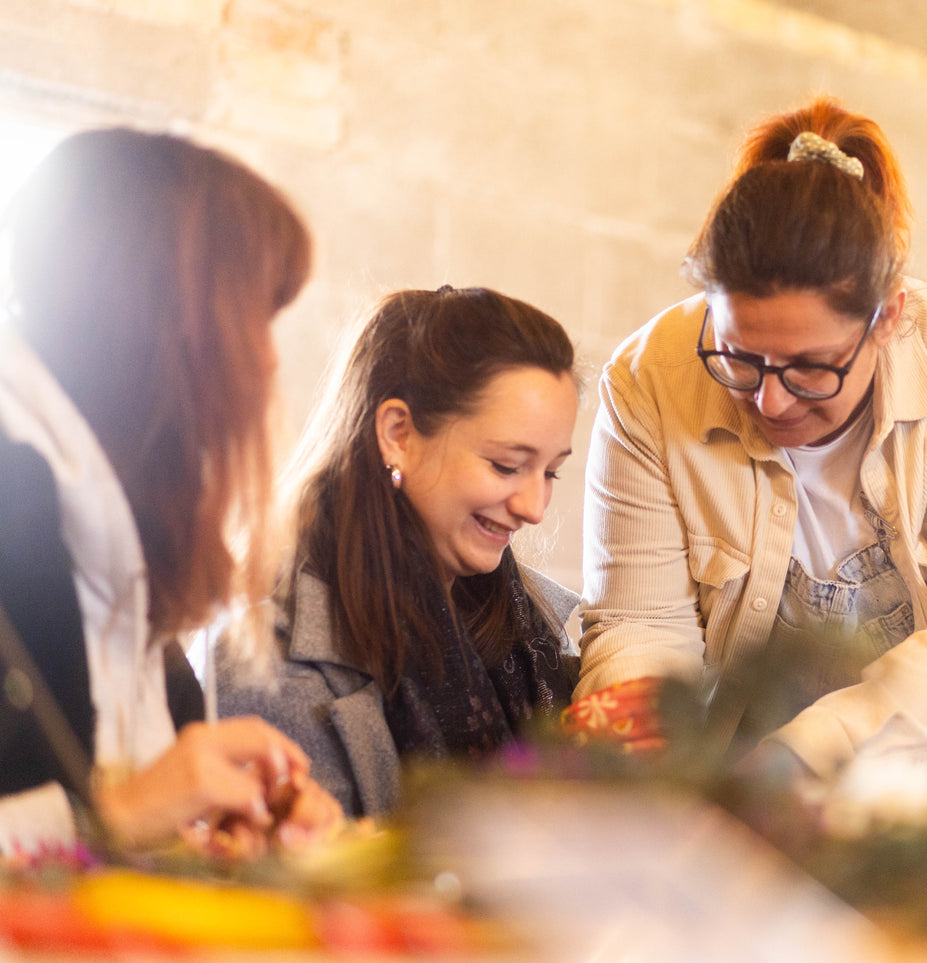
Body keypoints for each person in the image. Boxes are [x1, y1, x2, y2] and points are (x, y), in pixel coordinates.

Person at [575, 97, 927, 782]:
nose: (769, 400)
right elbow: (641, 623)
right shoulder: (650, 378)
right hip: (727, 789)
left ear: (888, 315)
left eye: (810, 368)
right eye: (739, 358)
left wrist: (803, 755)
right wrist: (644, 762)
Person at [0, 127, 342, 855]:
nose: (269, 356)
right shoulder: (17, 496)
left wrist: (229, 815)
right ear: (167, 325)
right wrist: (110, 820)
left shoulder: (123, 535)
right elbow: (112, 812)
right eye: (255, 317)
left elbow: (160, 802)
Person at [219, 286, 581, 818]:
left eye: (550, 473)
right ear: (398, 434)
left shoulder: (527, 622)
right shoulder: (269, 658)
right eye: (507, 466)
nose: (534, 509)